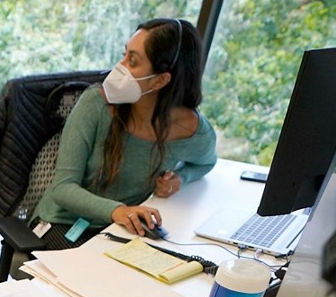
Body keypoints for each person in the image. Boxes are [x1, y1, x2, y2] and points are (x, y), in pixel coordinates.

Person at [33, 18, 217, 246]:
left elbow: (206, 162)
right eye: (125, 55)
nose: (119, 67)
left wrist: (181, 179)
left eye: (132, 61)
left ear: (160, 80)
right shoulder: (95, 104)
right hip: (63, 223)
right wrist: (119, 211)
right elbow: (62, 188)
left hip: (120, 228)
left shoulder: (192, 130)